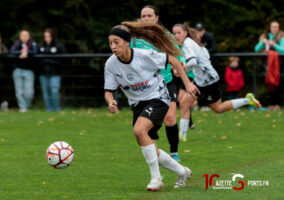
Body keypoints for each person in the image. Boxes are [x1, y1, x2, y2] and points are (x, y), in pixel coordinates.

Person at [104, 21, 199, 191]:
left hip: (158, 98)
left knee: (139, 130)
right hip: (137, 105)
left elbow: (173, 60)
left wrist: (188, 83)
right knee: (151, 149)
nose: (113, 46)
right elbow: (108, 90)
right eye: (110, 43)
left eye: (116, 42)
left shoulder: (144, 55)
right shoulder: (111, 64)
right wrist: (110, 101)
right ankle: (182, 172)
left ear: (127, 42)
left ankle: (156, 179)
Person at [172, 23, 261, 141]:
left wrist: (182, 70)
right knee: (185, 102)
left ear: (185, 33)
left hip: (207, 81)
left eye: (179, 33)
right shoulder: (193, 43)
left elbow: (193, 61)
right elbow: (206, 56)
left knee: (217, 108)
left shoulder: (188, 44)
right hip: (204, 79)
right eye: (174, 33)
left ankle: (247, 100)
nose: (176, 36)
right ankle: (182, 135)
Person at [131, 5, 187, 161]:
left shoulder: (165, 35)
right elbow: (128, 56)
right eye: (144, 16)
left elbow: (177, 52)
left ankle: (174, 153)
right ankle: (153, 150)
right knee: (145, 124)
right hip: (147, 85)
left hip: (166, 81)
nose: (146, 19)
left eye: (149, 16)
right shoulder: (135, 37)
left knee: (170, 118)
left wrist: (181, 63)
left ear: (157, 17)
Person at [254, 21, 284, 111]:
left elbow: (282, 50)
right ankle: (271, 104)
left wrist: (274, 45)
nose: (274, 28)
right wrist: (263, 43)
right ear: (269, 28)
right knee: (269, 83)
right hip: (267, 66)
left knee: (278, 83)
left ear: (279, 28)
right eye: (273, 27)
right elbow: (256, 49)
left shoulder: (282, 38)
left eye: (276, 27)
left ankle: (277, 104)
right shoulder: (264, 37)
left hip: (279, 66)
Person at [38, 28, 66, 112]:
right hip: (43, 73)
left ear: (52, 37)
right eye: (45, 36)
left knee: (54, 90)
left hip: (55, 73)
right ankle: (49, 109)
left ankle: (56, 109)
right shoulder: (40, 46)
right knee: (46, 93)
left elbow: (63, 59)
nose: (47, 38)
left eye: (48, 36)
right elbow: (37, 60)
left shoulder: (59, 46)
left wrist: (48, 60)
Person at [11, 30, 37, 112]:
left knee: (29, 92)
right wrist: (21, 52)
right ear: (20, 36)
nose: (24, 37)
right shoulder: (16, 44)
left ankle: (27, 106)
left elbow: (35, 52)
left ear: (29, 37)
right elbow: (12, 52)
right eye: (22, 35)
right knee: (19, 91)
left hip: (29, 70)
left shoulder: (32, 44)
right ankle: (23, 108)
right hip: (17, 70)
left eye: (26, 35)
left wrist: (26, 52)